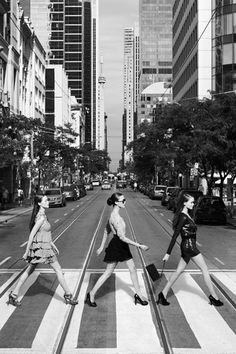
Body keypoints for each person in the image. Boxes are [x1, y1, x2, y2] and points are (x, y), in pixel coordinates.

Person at [8, 195, 78, 307]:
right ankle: (68, 295)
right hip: (42, 249)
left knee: (29, 271)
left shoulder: (43, 216)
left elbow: (43, 233)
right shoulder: (40, 218)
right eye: (45, 200)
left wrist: (52, 244)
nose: (48, 201)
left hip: (44, 247)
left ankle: (13, 295)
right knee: (58, 270)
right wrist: (26, 252)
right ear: (40, 203)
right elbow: (32, 235)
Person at [157, 193, 223, 307]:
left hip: (187, 246)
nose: (193, 204)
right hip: (189, 247)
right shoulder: (183, 216)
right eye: (191, 202)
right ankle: (214, 296)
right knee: (205, 269)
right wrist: (168, 253)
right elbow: (175, 235)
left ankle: (163, 294)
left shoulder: (187, 215)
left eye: (193, 202)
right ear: (184, 203)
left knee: (179, 270)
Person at [85, 192, 149, 307]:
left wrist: (101, 246)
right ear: (116, 202)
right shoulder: (116, 218)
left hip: (121, 245)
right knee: (108, 272)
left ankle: (138, 294)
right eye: (123, 200)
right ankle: (91, 294)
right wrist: (139, 245)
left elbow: (106, 230)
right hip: (117, 245)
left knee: (133, 269)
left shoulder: (113, 216)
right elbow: (122, 237)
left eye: (125, 200)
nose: (125, 202)